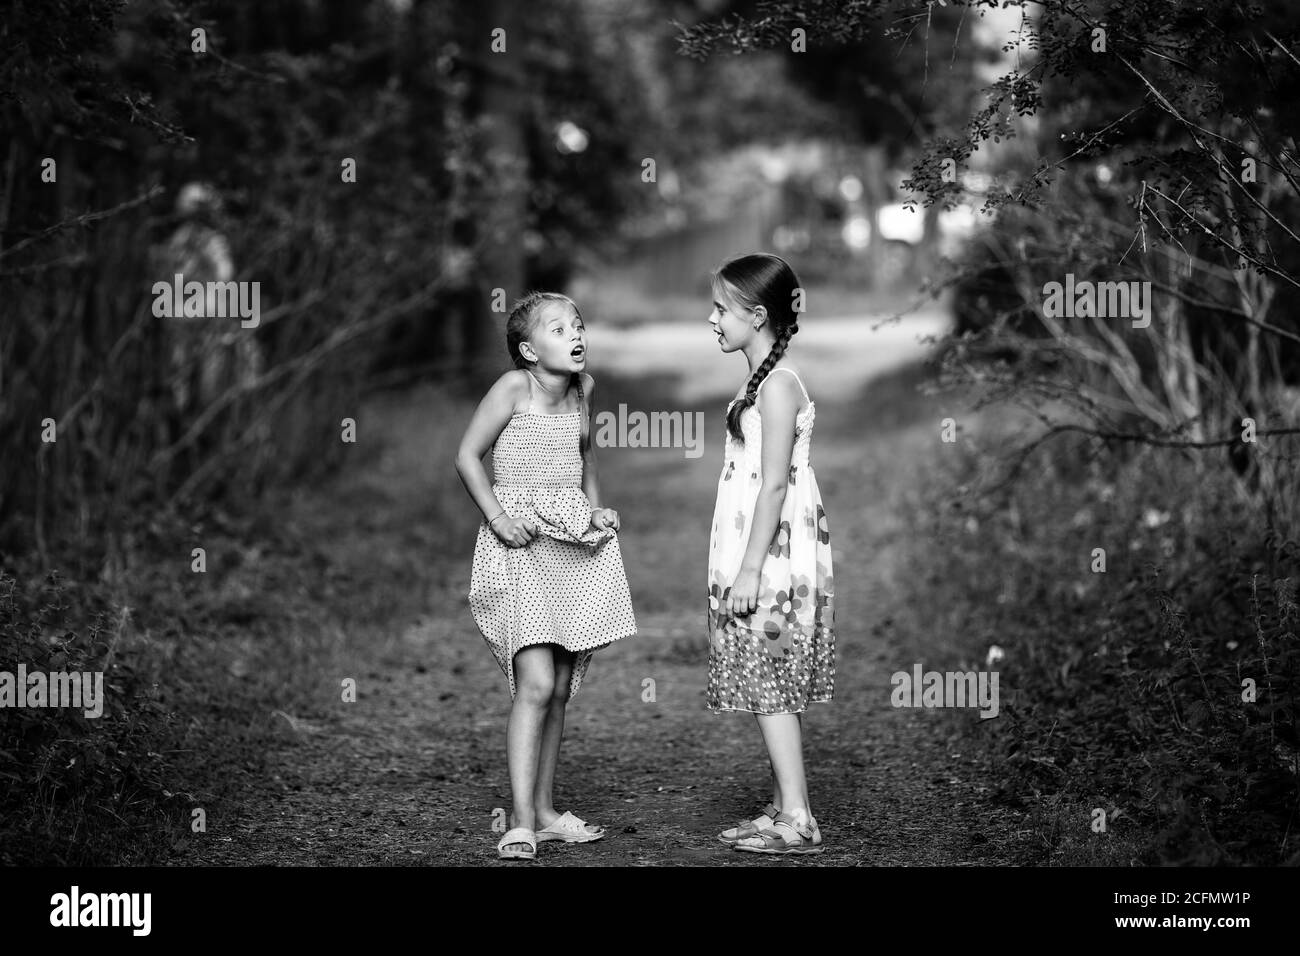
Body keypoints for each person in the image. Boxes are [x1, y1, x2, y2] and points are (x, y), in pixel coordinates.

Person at [455, 291, 637, 861]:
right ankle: (518, 821)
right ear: (529, 350)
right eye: (558, 329)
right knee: (533, 682)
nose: (575, 334)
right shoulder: (514, 388)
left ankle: (546, 812)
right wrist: (498, 517)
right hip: (520, 547)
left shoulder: (583, 391)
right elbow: (467, 456)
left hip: (568, 547)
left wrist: (595, 509)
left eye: (577, 325)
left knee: (559, 686)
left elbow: (588, 461)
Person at [705, 253, 835, 855]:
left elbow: (776, 484)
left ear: (757, 317)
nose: (712, 320)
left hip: (774, 556)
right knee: (767, 679)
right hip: (757, 546)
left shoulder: (779, 387)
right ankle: (786, 803)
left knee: (772, 679)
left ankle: (799, 817)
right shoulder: (759, 379)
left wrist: (751, 567)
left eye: (720, 309)